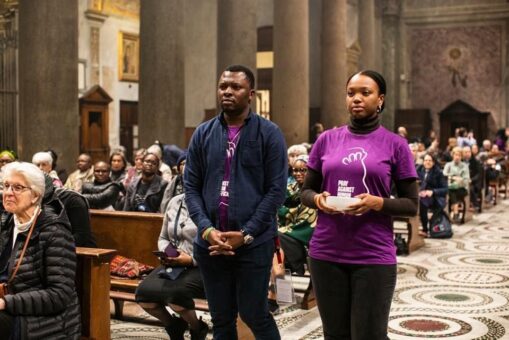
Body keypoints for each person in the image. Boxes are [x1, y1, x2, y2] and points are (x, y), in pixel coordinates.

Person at [300, 70, 418, 339]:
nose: (357, 98)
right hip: (326, 252)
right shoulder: (326, 140)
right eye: (351, 93)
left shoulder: (395, 145)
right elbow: (305, 191)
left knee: (369, 335)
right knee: (335, 334)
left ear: (380, 100)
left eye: (365, 93)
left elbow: (411, 205)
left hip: (372, 254)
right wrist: (318, 199)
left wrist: (378, 203)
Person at [185, 64, 287, 339]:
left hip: (254, 244)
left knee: (255, 314)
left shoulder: (270, 133)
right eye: (223, 86)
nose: (227, 91)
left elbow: (276, 190)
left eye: (236, 87)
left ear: (250, 93)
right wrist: (207, 230)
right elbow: (191, 187)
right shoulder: (203, 133)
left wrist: (247, 234)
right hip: (211, 244)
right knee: (220, 319)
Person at [0, 162, 81, 339]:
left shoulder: (54, 231)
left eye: (18, 187)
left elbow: (59, 295)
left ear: (36, 195)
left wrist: (6, 302)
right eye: (6, 186)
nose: (8, 193)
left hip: (44, 321)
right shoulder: (6, 223)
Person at [135, 189, 208, 339]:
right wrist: (167, 252)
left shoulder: (212, 204)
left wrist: (190, 259)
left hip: (203, 264)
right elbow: (163, 237)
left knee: (175, 296)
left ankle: (197, 328)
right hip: (175, 262)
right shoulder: (175, 201)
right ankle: (174, 325)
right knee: (143, 294)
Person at [278, 155, 316, 275]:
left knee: (276, 237)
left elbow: (309, 222)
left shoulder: (315, 192)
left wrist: (286, 230)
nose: (298, 173)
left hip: (303, 236)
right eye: (295, 170)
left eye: (303, 170)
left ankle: (279, 281)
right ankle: (278, 284)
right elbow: (280, 209)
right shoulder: (288, 189)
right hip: (288, 232)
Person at [416, 154, 448, 236]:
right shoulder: (419, 169)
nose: (427, 162)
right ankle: (415, 226)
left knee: (422, 202)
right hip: (420, 194)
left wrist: (432, 192)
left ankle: (425, 229)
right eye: (426, 160)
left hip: (435, 197)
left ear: (433, 162)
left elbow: (445, 189)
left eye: (430, 160)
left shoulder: (438, 172)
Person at [443, 146, 470, 222]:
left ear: (461, 156)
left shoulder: (464, 166)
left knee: (455, 191)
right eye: (455, 155)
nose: (457, 157)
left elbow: (466, 178)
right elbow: (444, 174)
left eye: (459, 155)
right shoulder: (448, 165)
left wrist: (460, 180)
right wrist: (453, 177)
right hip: (450, 187)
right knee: (451, 190)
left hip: (461, 188)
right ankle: (456, 211)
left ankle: (455, 211)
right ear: (453, 155)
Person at [462, 146, 482, 212]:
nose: (467, 153)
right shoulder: (461, 161)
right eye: (465, 152)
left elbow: (479, 174)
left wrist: (471, 180)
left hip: (473, 181)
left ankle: (475, 204)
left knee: (470, 188)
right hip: (462, 181)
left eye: (468, 152)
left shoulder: (476, 161)